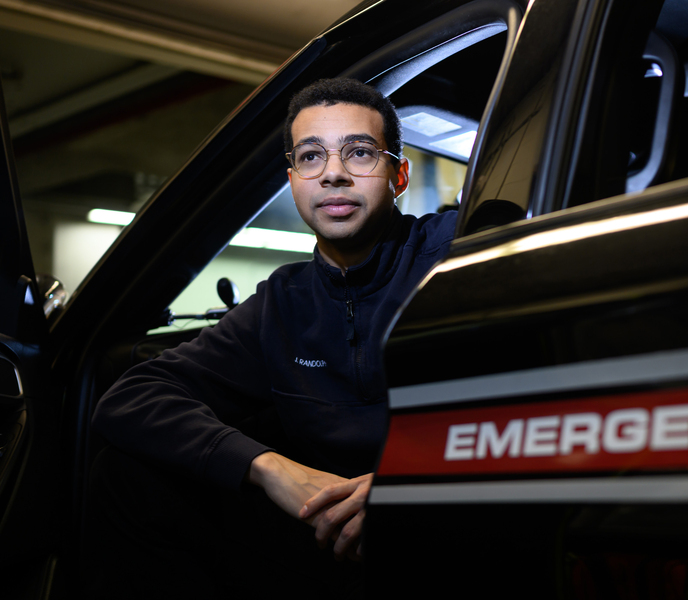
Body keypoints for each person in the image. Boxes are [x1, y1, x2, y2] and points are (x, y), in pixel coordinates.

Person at [83, 78, 458, 599]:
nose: (333, 173)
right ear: (292, 179)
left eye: (360, 153)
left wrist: (415, 483)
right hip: (326, 539)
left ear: (399, 175)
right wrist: (269, 470)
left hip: (450, 530)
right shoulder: (282, 303)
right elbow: (129, 398)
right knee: (125, 477)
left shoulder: (456, 255)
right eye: (311, 157)